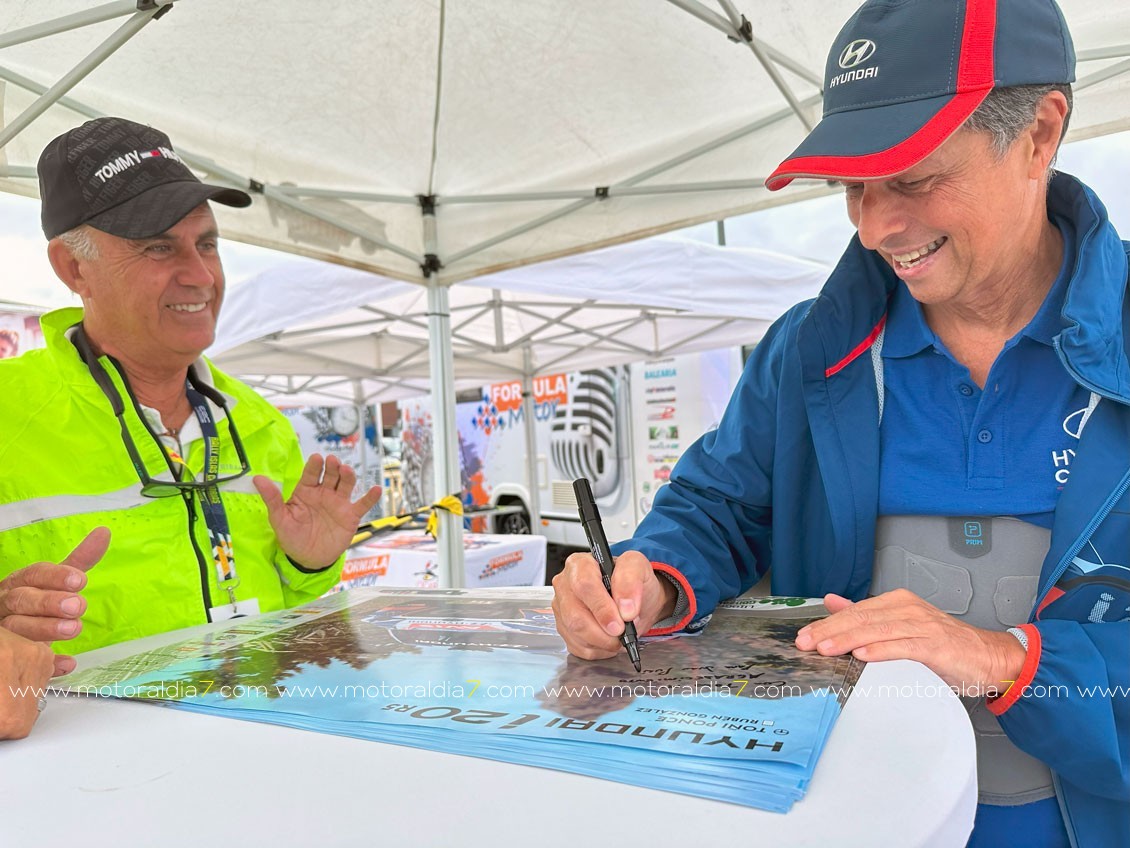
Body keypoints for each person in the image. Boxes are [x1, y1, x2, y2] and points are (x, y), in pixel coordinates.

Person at [551, 1, 1128, 846]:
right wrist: (655, 579)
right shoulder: (810, 351)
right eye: (853, 185)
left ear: (1040, 133)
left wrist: (1011, 660)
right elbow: (718, 506)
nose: (874, 225)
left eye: (915, 177)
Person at [0, 116, 380, 664]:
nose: (200, 275)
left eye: (207, 243)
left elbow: (284, 616)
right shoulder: (8, 414)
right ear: (74, 268)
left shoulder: (259, 423)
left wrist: (310, 565)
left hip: (258, 738)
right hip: (86, 747)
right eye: (159, 248)